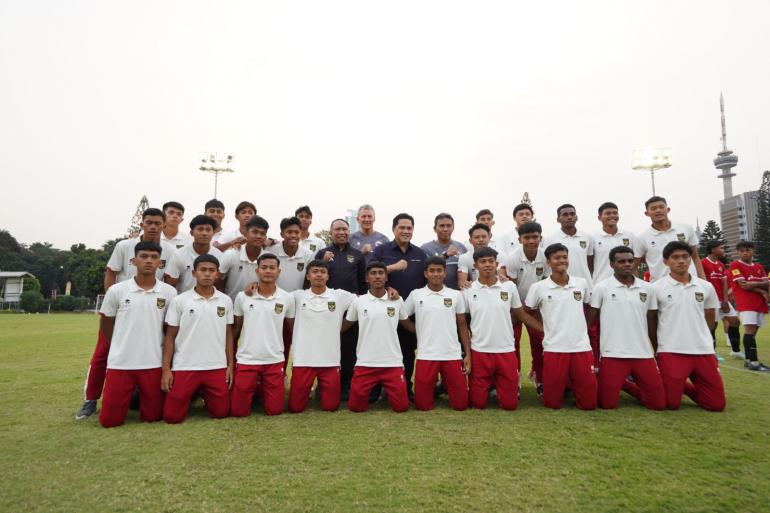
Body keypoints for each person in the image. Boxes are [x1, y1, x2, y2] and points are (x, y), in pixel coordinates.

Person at [75, 207, 176, 420]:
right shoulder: (124, 246)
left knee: (158, 352)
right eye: (149, 222)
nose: (153, 227)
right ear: (142, 224)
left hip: (151, 310)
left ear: (164, 226)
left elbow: (169, 280)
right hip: (123, 309)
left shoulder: (170, 251)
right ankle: (90, 400)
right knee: (102, 355)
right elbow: (111, 273)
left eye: (157, 223)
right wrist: (113, 303)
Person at [96, 241, 177, 427]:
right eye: (144, 256)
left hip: (153, 363)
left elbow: (170, 330)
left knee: (153, 417)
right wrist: (118, 346)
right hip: (121, 363)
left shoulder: (169, 292)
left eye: (154, 257)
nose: (149, 261)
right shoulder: (117, 290)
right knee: (109, 421)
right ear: (133, 261)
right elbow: (106, 323)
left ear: (160, 263)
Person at [462, 247, 543, 410]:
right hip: (480, 351)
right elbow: (463, 323)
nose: (487, 265)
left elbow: (522, 315)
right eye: (483, 261)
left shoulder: (509, 287)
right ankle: (488, 388)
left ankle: (499, 387)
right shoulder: (468, 291)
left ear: (497, 264)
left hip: (506, 350)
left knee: (510, 405)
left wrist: (546, 330)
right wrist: (468, 353)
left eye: (491, 261)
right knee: (477, 404)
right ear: (475, 265)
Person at [648, 241, 725, 411]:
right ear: (666, 262)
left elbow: (710, 320)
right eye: (675, 257)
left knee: (716, 405)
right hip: (671, 351)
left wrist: (699, 336)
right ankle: (662, 382)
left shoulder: (706, 286)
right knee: (670, 404)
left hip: (703, 350)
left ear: (690, 260)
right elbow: (651, 322)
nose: (681, 261)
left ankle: (678, 384)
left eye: (685, 257)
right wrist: (657, 348)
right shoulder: (655, 288)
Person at [587, 246, 665, 410]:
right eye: (621, 261)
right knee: (607, 405)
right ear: (611, 264)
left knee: (658, 404)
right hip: (612, 353)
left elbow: (652, 323)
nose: (627, 264)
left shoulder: (648, 288)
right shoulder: (601, 288)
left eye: (630, 261)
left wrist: (657, 349)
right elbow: (589, 323)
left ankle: (624, 383)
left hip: (642, 354)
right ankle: (621, 383)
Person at [161, 255, 234, 423]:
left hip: (216, 365)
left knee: (221, 413)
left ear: (217, 274)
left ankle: (202, 395)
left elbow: (228, 334)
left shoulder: (226, 300)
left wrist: (230, 365)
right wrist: (166, 369)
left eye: (211, 270)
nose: (207, 274)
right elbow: (170, 336)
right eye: (203, 270)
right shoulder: (180, 301)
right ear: (194, 273)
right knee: (172, 417)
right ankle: (193, 396)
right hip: (185, 366)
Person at [525, 243, 597, 410]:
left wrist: (584, 325)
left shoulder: (581, 283)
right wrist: (544, 329)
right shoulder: (538, 287)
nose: (562, 260)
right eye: (557, 258)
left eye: (565, 257)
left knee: (589, 404)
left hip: (581, 348)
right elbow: (525, 312)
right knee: (552, 403)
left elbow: (591, 307)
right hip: (554, 348)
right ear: (548, 262)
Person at [230, 254, 295, 416]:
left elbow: (291, 330)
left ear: (278, 271)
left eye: (272, 268)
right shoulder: (242, 296)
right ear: (257, 270)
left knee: (275, 411)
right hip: (247, 359)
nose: (268, 271)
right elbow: (236, 329)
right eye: (264, 268)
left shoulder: (287, 298)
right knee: (239, 412)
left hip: (274, 359)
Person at [403, 257, 471, 411]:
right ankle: (436, 389)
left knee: (461, 406)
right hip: (427, 354)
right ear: (426, 274)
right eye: (432, 271)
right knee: (422, 406)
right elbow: (403, 318)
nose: (436, 274)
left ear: (445, 273)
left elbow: (462, 324)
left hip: (451, 354)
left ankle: (443, 388)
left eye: (439, 270)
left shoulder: (455, 295)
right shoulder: (416, 294)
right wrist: (419, 330)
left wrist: (467, 354)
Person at [372, 213, 428, 399]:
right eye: (401, 227)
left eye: (409, 228)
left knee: (407, 351)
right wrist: (393, 268)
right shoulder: (381, 251)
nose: (405, 231)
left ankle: (405, 386)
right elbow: (370, 274)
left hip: (409, 313)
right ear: (393, 229)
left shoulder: (420, 254)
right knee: (380, 348)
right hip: (382, 310)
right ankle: (377, 389)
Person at [342, 261, 410, 413]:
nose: (377, 276)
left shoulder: (397, 300)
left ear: (386, 278)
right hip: (366, 363)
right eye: (373, 273)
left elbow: (407, 325)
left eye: (381, 273)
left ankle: (388, 391)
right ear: (367, 278)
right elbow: (345, 326)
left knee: (401, 408)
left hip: (392, 363)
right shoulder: (358, 302)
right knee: (355, 408)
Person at [288, 260, 355, 412]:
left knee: (331, 407)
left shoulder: (340, 296)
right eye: (315, 271)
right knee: (295, 408)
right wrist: (254, 286)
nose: (319, 275)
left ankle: (321, 393)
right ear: (308, 276)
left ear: (328, 276)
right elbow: (273, 295)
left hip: (330, 359)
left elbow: (365, 300)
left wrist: (342, 326)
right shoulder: (297, 296)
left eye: (322, 272)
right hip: (303, 359)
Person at [316, 218, 367, 399]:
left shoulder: (358, 255)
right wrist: (322, 261)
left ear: (349, 232)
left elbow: (363, 282)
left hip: (350, 309)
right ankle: (323, 386)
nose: (341, 232)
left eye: (344, 229)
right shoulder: (322, 253)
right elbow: (312, 278)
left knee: (348, 348)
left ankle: (346, 386)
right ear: (331, 233)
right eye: (337, 229)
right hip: (325, 309)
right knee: (325, 347)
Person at [544, 204, 598, 364]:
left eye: (572, 214)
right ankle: (566, 379)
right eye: (565, 214)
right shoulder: (551, 239)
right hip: (561, 293)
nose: (569, 217)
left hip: (585, 292)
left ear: (576, 216)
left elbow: (590, 265)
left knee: (591, 332)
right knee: (563, 333)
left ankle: (593, 368)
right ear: (558, 219)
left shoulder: (587, 238)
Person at [503, 221, 549, 393]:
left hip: (537, 307)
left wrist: (536, 307)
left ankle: (540, 379)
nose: (531, 241)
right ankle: (514, 381)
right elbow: (511, 287)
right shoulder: (513, 258)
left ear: (540, 238)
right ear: (520, 239)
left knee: (539, 343)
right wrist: (517, 308)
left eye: (535, 237)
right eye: (527, 237)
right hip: (516, 306)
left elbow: (546, 285)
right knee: (512, 343)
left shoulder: (546, 256)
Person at [635, 196, 705, 282]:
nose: (658, 210)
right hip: (660, 288)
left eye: (661, 207)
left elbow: (695, 257)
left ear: (668, 209)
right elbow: (634, 265)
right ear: (646, 213)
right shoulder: (641, 238)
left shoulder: (686, 228)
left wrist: (703, 281)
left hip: (690, 284)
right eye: (653, 208)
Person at [727, 241, 770, 371]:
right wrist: (761, 287)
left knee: (753, 332)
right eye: (741, 251)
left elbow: (766, 282)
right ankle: (754, 362)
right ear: (738, 252)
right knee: (749, 331)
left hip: (760, 303)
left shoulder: (758, 266)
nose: (745, 252)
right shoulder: (735, 265)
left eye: (748, 250)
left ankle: (748, 360)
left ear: (753, 251)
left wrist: (755, 285)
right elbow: (743, 284)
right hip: (746, 303)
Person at [701, 240, 742, 358]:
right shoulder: (702, 263)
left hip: (722, 299)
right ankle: (711, 353)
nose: (723, 250)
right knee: (711, 325)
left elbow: (724, 284)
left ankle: (736, 351)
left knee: (735, 321)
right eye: (721, 248)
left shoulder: (721, 264)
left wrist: (725, 300)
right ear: (713, 249)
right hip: (709, 301)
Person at [164, 215, 224, 293]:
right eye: (200, 229)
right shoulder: (179, 254)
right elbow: (170, 286)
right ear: (192, 233)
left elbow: (220, 285)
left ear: (213, 233)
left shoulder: (220, 256)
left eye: (208, 230)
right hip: (184, 302)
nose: (204, 233)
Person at [218, 215, 269, 302]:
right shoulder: (231, 255)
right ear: (246, 233)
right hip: (231, 306)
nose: (259, 236)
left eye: (262, 233)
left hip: (258, 308)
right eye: (255, 232)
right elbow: (218, 281)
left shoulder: (268, 258)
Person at [591, 202, 637, 284]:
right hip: (602, 284)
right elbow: (590, 264)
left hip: (627, 284)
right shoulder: (593, 238)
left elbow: (636, 260)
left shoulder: (630, 236)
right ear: (599, 217)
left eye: (615, 213)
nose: (612, 216)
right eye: (608, 213)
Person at [420, 213, 467, 290]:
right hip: (433, 295)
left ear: (453, 228)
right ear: (435, 229)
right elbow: (423, 271)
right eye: (442, 226)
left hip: (458, 295)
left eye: (449, 226)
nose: (445, 229)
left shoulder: (462, 247)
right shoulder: (425, 248)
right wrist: (446, 255)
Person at [267, 217, 314, 292]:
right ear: (282, 234)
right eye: (289, 232)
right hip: (274, 299)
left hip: (297, 299)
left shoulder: (308, 254)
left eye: (296, 232)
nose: (293, 235)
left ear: (300, 233)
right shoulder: (271, 251)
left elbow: (310, 280)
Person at [457, 223, 492, 289]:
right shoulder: (464, 258)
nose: (481, 240)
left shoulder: (499, 255)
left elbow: (502, 279)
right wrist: (464, 284)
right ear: (470, 241)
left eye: (484, 237)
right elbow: (461, 283)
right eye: (477, 237)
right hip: (475, 292)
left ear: (489, 238)